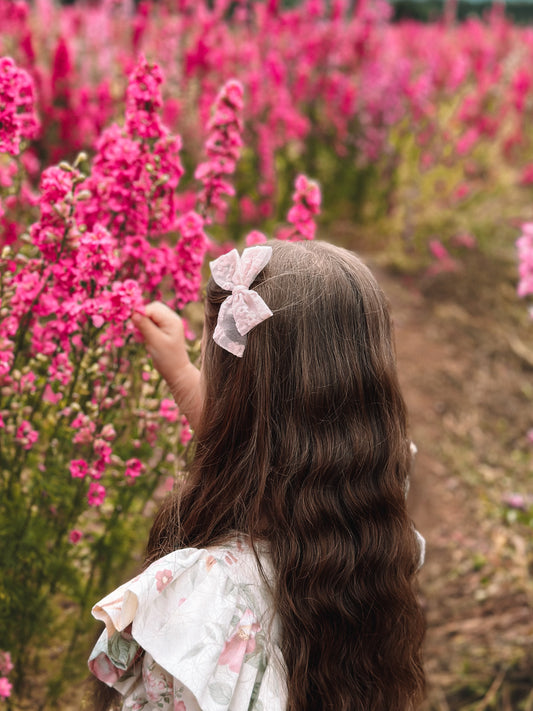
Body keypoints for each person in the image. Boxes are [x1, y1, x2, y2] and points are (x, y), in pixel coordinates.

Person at [88, 239, 426, 711]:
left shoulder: (206, 602)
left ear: (238, 396)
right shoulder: (370, 504)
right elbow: (274, 437)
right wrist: (183, 375)